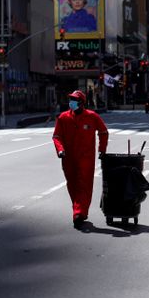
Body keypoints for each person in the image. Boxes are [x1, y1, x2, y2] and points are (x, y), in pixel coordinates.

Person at [52, 90, 109, 228]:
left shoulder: (92, 117)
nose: (71, 102)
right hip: (68, 158)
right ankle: (79, 210)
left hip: (86, 158)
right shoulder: (63, 118)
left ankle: (78, 213)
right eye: (70, 99)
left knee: (84, 185)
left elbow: (103, 132)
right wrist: (60, 150)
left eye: (74, 99)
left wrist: (102, 150)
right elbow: (56, 136)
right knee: (72, 184)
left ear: (82, 103)